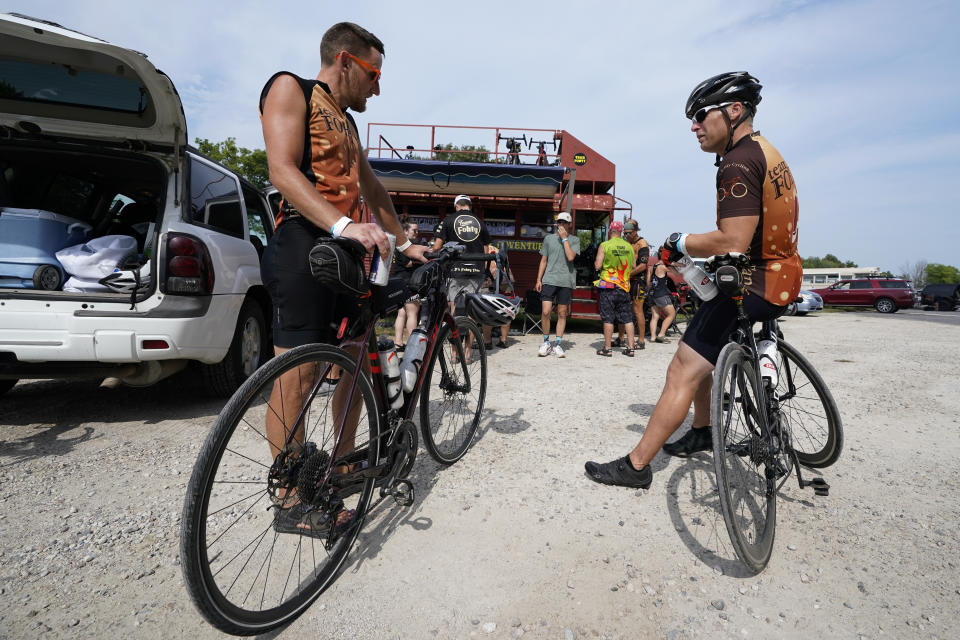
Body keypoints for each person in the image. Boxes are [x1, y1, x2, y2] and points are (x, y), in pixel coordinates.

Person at [585, 71, 801, 488]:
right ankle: (703, 428)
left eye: (702, 115)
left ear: (734, 111)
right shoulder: (765, 151)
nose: (694, 125)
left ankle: (636, 465)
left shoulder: (737, 161)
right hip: (781, 273)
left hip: (756, 283)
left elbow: (734, 237)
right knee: (704, 346)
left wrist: (680, 241)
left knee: (682, 368)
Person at [259, 22, 428, 534]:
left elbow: (373, 190)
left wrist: (403, 241)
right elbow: (281, 170)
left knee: (355, 358)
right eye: (375, 74)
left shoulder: (350, 127)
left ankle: (342, 461)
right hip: (305, 243)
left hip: (348, 253)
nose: (378, 86)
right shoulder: (292, 88)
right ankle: (290, 500)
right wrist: (343, 224)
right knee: (297, 372)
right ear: (345, 60)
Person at [432, 194, 490, 360]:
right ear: (470, 206)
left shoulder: (448, 220)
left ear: (457, 205)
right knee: (471, 313)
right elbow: (486, 248)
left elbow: (437, 246)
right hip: (476, 271)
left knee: (453, 312)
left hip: (454, 271)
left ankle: (454, 353)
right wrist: (484, 269)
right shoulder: (480, 222)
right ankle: (467, 353)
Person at [534, 211, 580, 357]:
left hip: (565, 280)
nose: (560, 225)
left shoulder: (574, 240)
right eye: (559, 222)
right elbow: (543, 260)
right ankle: (546, 342)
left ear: (569, 225)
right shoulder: (548, 239)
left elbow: (571, 257)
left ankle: (558, 344)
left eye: (563, 222)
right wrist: (538, 279)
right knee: (546, 311)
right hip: (549, 279)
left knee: (562, 313)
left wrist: (564, 239)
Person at [593, 220, 636, 357]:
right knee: (628, 319)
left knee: (608, 318)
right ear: (621, 232)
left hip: (608, 287)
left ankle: (607, 348)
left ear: (611, 231)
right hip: (624, 286)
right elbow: (634, 266)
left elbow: (598, 266)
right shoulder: (629, 246)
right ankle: (630, 348)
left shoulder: (605, 245)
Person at [618, 219, 649, 349]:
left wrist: (628, 274)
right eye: (624, 233)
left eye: (628, 233)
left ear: (635, 231)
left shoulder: (642, 243)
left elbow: (643, 265)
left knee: (637, 310)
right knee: (621, 308)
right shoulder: (626, 243)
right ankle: (620, 338)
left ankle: (641, 340)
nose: (626, 236)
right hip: (626, 280)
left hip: (638, 281)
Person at [392, 218, 421, 350]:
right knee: (412, 313)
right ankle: (411, 345)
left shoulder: (397, 244)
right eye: (414, 230)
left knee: (401, 313)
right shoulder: (406, 246)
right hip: (408, 282)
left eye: (417, 230)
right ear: (405, 231)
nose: (416, 233)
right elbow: (408, 263)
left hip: (397, 282)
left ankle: (398, 342)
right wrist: (421, 259)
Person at [481, 240, 516, 348]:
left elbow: (485, 266)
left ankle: (487, 342)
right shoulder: (501, 251)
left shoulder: (484, 248)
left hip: (491, 280)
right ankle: (503, 340)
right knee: (506, 310)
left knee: (487, 312)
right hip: (506, 279)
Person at [647, 261, 676, 343]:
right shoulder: (663, 267)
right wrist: (673, 264)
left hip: (652, 293)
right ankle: (661, 334)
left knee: (655, 316)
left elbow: (648, 283)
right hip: (661, 294)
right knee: (671, 314)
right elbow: (676, 273)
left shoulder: (651, 267)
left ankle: (653, 337)